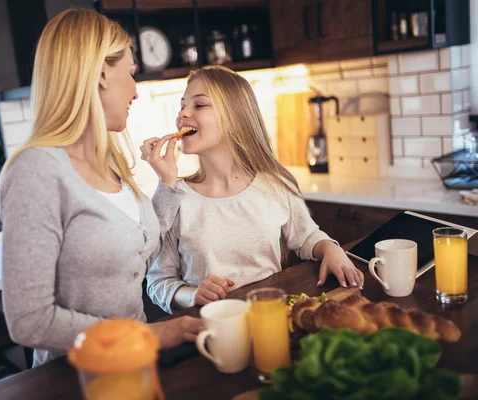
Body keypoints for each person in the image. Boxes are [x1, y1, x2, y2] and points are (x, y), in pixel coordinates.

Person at [0, 9, 201, 367]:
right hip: (74, 379)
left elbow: (136, 249)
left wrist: (167, 182)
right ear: (102, 73)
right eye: (132, 73)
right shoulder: (37, 172)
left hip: (133, 367)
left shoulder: (110, 161)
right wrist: (148, 335)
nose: (136, 91)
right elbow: (29, 320)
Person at [145, 65, 365, 314]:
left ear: (235, 117)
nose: (183, 113)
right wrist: (192, 294)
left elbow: (306, 237)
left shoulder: (275, 184)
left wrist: (330, 249)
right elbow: (158, 282)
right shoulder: (173, 197)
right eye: (182, 105)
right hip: (213, 328)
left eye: (199, 105)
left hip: (272, 318)